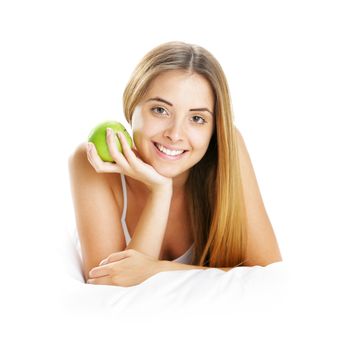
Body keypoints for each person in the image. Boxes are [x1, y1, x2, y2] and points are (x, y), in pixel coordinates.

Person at [68, 41, 282, 287]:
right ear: (131, 107)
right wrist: (161, 191)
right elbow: (109, 289)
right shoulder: (95, 160)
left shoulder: (227, 147)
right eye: (160, 110)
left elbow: (270, 275)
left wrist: (158, 270)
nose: (175, 134)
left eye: (197, 118)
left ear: (214, 128)